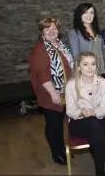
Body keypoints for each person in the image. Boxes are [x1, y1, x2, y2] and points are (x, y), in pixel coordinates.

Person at [28, 18, 74, 165]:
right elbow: (42, 73)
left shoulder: (59, 44)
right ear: (42, 32)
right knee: (53, 124)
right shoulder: (41, 48)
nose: (51, 31)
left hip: (63, 91)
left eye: (54, 28)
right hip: (50, 93)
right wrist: (54, 93)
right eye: (47, 29)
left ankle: (62, 149)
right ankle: (57, 153)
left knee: (59, 122)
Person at [68, 3, 105, 76]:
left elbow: (101, 51)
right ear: (79, 14)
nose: (89, 15)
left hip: (100, 70)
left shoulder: (97, 31)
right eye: (85, 12)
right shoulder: (74, 33)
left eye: (91, 13)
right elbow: (76, 57)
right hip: (86, 71)